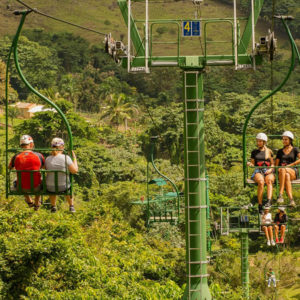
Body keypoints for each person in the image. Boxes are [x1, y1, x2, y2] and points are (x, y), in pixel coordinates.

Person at [9, 135, 45, 210]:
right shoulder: (39, 155)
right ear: (31, 144)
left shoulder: (16, 156)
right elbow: (44, 167)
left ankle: (29, 200)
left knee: (20, 178)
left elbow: (10, 167)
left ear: (21, 145)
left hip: (21, 188)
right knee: (39, 179)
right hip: (36, 187)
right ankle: (37, 202)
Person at [45, 138, 78, 213]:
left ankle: (53, 206)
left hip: (50, 188)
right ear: (62, 147)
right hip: (63, 187)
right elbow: (75, 170)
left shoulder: (47, 159)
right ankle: (71, 206)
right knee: (68, 187)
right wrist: (75, 159)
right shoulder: (66, 158)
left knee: (52, 182)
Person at [248, 133, 275, 213]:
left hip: (267, 169)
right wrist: (250, 164)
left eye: (260, 141)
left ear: (264, 142)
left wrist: (270, 169)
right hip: (258, 170)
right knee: (261, 182)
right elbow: (253, 163)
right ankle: (260, 204)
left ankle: (269, 201)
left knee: (269, 180)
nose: (258, 143)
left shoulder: (269, 151)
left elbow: (272, 163)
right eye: (258, 141)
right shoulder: (254, 152)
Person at [275, 131, 300, 207]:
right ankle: (291, 199)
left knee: (284, 170)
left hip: (292, 170)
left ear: (290, 140)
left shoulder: (295, 149)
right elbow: (276, 165)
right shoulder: (280, 151)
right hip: (282, 172)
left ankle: (280, 194)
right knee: (286, 175)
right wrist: (277, 169)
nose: (284, 141)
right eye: (283, 139)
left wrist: (291, 165)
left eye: (286, 139)